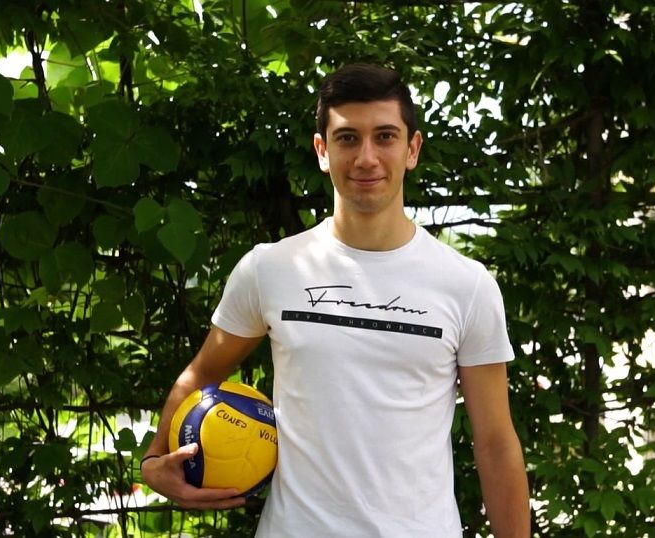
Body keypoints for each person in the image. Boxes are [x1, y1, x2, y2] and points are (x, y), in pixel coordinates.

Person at [140, 63, 530, 537]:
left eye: (385, 137)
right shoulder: (271, 268)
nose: (366, 157)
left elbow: (495, 444)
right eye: (347, 138)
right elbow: (201, 373)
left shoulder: (465, 285)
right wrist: (154, 459)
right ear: (322, 151)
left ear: (412, 149)